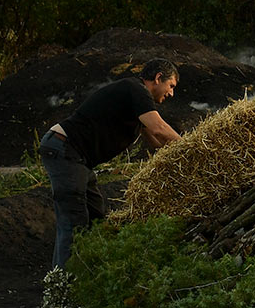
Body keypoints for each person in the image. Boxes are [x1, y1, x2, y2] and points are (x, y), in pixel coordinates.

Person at [40, 58, 181, 268]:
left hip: (80, 160)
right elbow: (158, 127)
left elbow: (154, 138)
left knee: (96, 216)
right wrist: (190, 146)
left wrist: (176, 160)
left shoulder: (135, 103)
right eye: (171, 86)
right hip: (65, 149)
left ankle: (90, 275)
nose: (171, 94)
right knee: (74, 222)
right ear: (158, 78)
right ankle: (62, 288)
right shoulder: (135, 89)